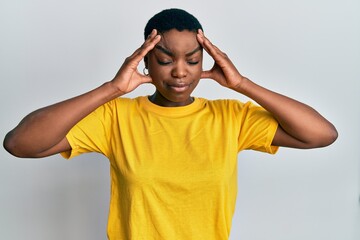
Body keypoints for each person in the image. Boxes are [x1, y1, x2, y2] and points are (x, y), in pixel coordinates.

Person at [3, 8, 337, 240]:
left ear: (204, 61)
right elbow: (20, 144)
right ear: (145, 61)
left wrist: (242, 84)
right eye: (164, 60)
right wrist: (112, 89)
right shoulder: (116, 117)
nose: (180, 71)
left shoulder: (230, 118)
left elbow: (321, 134)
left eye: (192, 60)